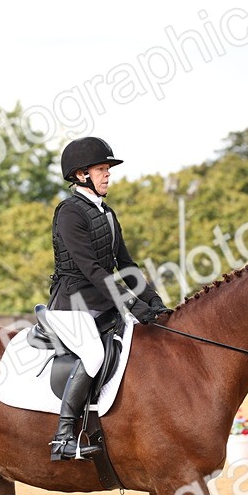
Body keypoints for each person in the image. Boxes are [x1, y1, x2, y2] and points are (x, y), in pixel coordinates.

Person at [46, 136, 170, 461]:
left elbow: (126, 266)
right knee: (92, 354)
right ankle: (64, 436)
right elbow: (90, 269)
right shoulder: (69, 213)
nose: (108, 175)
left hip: (101, 304)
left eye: (107, 170)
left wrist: (155, 305)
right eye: (102, 169)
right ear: (81, 174)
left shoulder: (108, 214)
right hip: (71, 304)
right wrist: (131, 304)